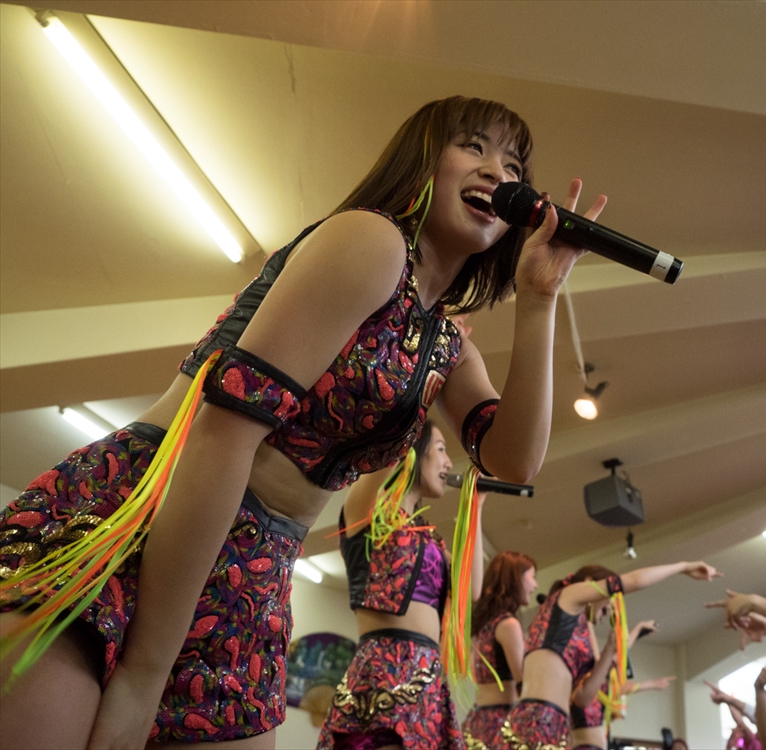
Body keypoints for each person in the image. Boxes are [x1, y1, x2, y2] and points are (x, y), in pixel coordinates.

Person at [0, 95, 605, 748]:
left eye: (513, 166)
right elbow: (223, 431)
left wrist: (539, 298)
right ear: (423, 160)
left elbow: (513, 458)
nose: (496, 172)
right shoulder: (370, 240)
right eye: (473, 147)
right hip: (150, 514)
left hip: (256, 574)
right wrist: (145, 675)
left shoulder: (449, 346)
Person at [319, 420, 480, 748]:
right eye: (441, 449)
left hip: (427, 673)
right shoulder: (366, 511)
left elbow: (470, 589)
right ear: (414, 451)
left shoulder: (432, 540)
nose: (449, 462)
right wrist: (415, 411)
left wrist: (476, 505)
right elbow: (391, 441)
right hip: (383, 666)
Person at [496, 560, 720, 749]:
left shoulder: (579, 637)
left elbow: (583, 698)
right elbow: (634, 581)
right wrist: (683, 566)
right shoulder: (567, 596)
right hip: (537, 719)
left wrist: (608, 652)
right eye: (605, 607)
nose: (604, 615)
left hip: (554, 727)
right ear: (589, 585)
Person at [462, 550, 538, 750]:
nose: (535, 585)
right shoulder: (508, 624)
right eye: (532, 577)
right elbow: (524, 681)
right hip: (501, 724)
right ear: (516, 580)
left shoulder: (484, 626)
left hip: (478, 721)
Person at [569, 620, 674, 750]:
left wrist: (639, 628)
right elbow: (611, 654)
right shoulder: (582, 688)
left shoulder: (605, 690)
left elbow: (620, 652)